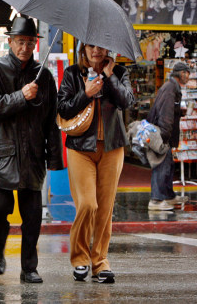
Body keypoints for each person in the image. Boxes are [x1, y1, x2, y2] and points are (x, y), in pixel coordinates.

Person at [0, 17, 64, 283]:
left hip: (33, 155)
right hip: (0, 155)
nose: (25, 47)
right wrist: (21, 96)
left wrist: (54, 159)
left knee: (33, 216)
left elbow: (51, 119)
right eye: (20, 41)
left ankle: (29, 268)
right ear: (10, 41)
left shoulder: (44, 76)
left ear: (36, 43)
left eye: (29, 42)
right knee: (0, 208)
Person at [57, 43, 134, 284]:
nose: (96, 51)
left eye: (101, 47)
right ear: (83, 48)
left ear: (109, 50)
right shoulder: (72, 73)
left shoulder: (119, 73)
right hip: (81, 148)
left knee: (105, 208)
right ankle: (80, 258)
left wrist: (110, 76)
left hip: (112, 147)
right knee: (88, 204)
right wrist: (86, 93)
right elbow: (62, 108)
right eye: (91, 46)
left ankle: (100, 263)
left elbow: (127, 102)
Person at [147, 62, 191, 210]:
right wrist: (164, 137)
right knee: (161, 166)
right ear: (182, 73)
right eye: (187, 73)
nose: (188, 76)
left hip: (166, 134)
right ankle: (156, 200)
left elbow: (169, 110)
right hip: (163, 135)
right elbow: (165, 114)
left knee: (168, 166)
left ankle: (168, 195)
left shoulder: (173, 87)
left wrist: (180, 112)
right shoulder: (170, 88)